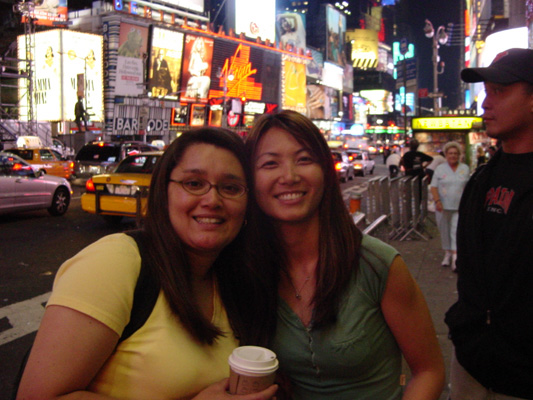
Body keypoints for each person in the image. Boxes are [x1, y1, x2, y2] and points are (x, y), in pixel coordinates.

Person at [15, 128, 278, 400]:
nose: (212, 200)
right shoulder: (116, 262)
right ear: (164, 193)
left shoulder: (231, 279)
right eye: (194, 183)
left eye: (231, 188)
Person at [244, 110, 445, 399]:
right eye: (270, 163)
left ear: (326, 171)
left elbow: (429, 371)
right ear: (250, 179)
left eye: (304, 160)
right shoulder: (246, 268)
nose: (289, 176)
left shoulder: (376, 264)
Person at [445, 48, 533, 399]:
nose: (485, 102)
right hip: (472, 361)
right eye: (486, 91)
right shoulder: (482, 178)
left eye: (499, 91)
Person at [429, 142, 469, 271]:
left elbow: (468, 187)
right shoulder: (440, 169)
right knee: (444, 230)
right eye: (450, 153)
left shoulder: (465, 168)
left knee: (455, 231)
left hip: (459, 206)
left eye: (455, 153)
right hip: (442, 206)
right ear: (446, 154)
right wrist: (437, 201)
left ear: (459, 155)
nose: (453, 156)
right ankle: (447, 253)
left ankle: (455, 258)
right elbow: (433, 186)